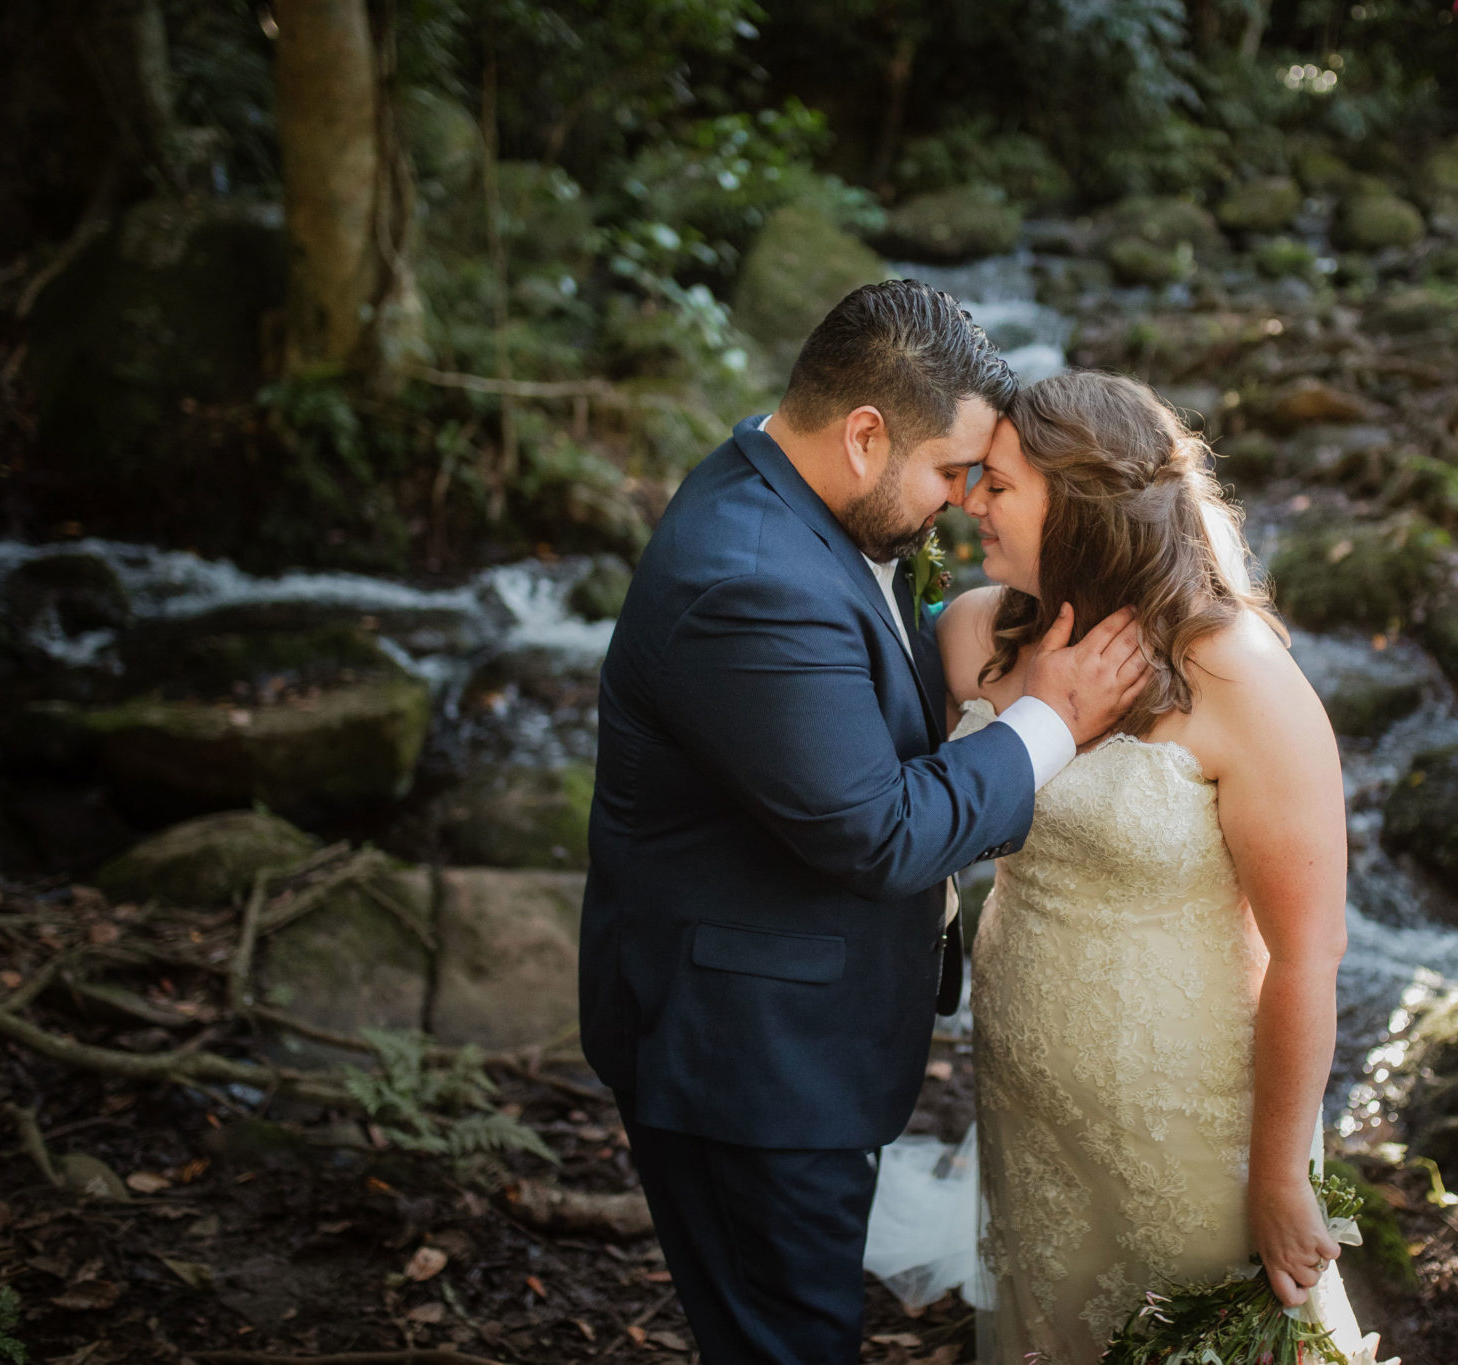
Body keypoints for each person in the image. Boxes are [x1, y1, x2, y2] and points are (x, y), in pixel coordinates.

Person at [577, 282, 1150, 1365]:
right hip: (746, 1066)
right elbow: (875, 832)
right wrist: (1047, 722)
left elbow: (848, 676)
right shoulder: (751, 578)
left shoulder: (784, 490)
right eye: (948, 474)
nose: (955, 504)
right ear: (862, 435)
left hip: (776, 1037)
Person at [935, 370, 1383, 1363]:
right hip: (1025, 1093)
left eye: (997, 485)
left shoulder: (1241, 678)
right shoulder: (972, 635)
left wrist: (1275, 1175)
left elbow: (1308, 954)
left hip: (1187, 1115)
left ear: (1083, 507)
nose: (968, 502)